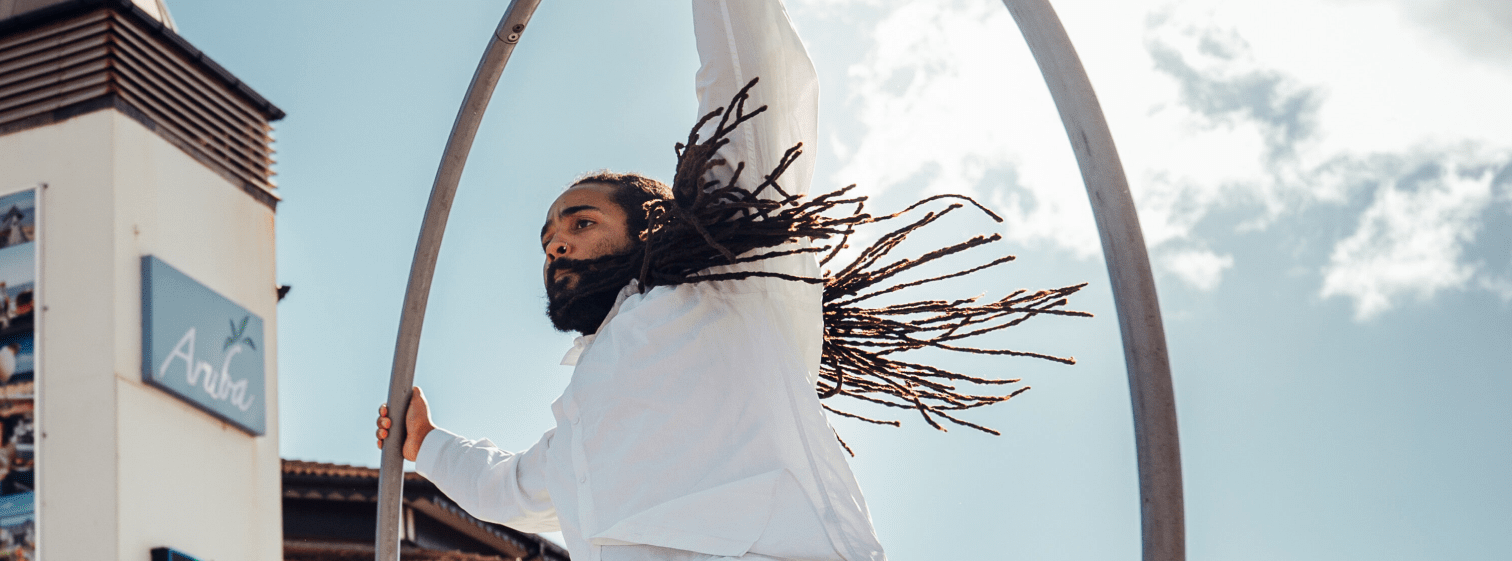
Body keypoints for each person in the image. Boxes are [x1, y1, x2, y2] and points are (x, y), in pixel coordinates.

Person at [379, 1, 889, 560]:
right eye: (547, 237)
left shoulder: (730, 282)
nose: (554, 244)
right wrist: (428, 445)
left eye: (582, 221)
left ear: (650, 227)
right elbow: (510, 489)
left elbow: (753, 76)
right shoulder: (584, 414)